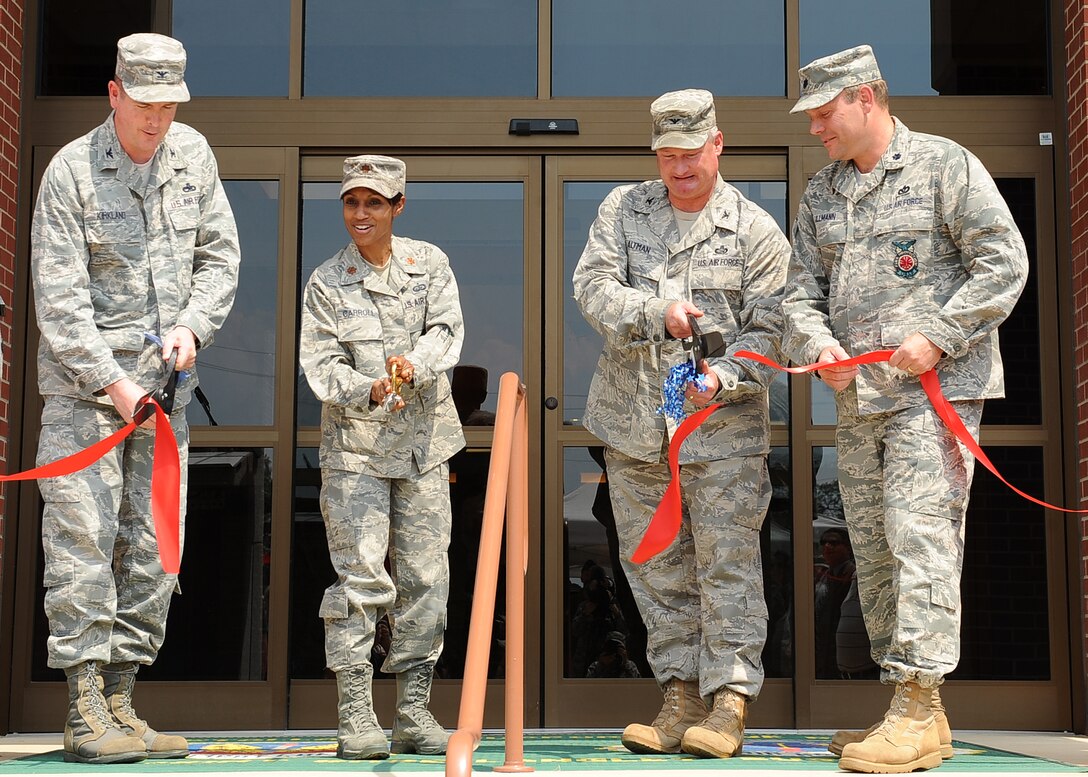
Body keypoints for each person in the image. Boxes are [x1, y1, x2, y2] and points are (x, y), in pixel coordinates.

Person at [782, 45, 1029, 773]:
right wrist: (820, 344)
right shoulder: (822, 193)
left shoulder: (944, 165)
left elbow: (1004, 260)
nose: (817, 129)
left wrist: (940, 335)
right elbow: (800, 291)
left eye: (825, 113)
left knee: (919, 535)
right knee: (876, 550)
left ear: (866, 98)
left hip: (934, 395)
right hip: (859, 402)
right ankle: (917, 709)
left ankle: (918, 703)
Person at [30, 33, 240, 765]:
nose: (158, 122)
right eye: (145, 105)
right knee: (84, 549)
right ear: (115, 94)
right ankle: (84, 708)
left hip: (165, 404)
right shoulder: (71, 173)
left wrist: (191, 327)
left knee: (152, 556)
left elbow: (220, 258)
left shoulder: (195, 158)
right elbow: (57, 302)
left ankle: (121, 698)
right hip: (87, 403)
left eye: (170, 106)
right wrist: (113, 383)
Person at [572, 88, 790, 759]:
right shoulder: (623, 208)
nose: (679, 168)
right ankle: (678, 696)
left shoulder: (755, 232)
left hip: (720, 437)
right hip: (636, 433)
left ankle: (727, 703)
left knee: (726, 566)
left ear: (717, 145)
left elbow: (772, 333)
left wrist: (721, 377)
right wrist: (655, 311)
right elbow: (592, 287)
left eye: (690, 153)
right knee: (657, 568)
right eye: (667, 155)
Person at [299, 154, 465, 760]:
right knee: (362, 579)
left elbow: (447, 330)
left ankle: (415, 709)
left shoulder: (430, 264)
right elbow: (319, 364)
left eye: (374, 202)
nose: (360, 213)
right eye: (351, 202)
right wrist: (365, 385)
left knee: (426, 579)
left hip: (424, 448)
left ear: (398, 206)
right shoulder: (326, 281)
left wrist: (412, 366)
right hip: (358, 453)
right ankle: (356, 712)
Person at [813, 528, 856, 678]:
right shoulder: (823, 576)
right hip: (823, 647)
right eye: (823, 542)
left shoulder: (854, 575)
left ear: (847, 547)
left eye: (834, 542)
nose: (827, 547)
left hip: (846, 648)